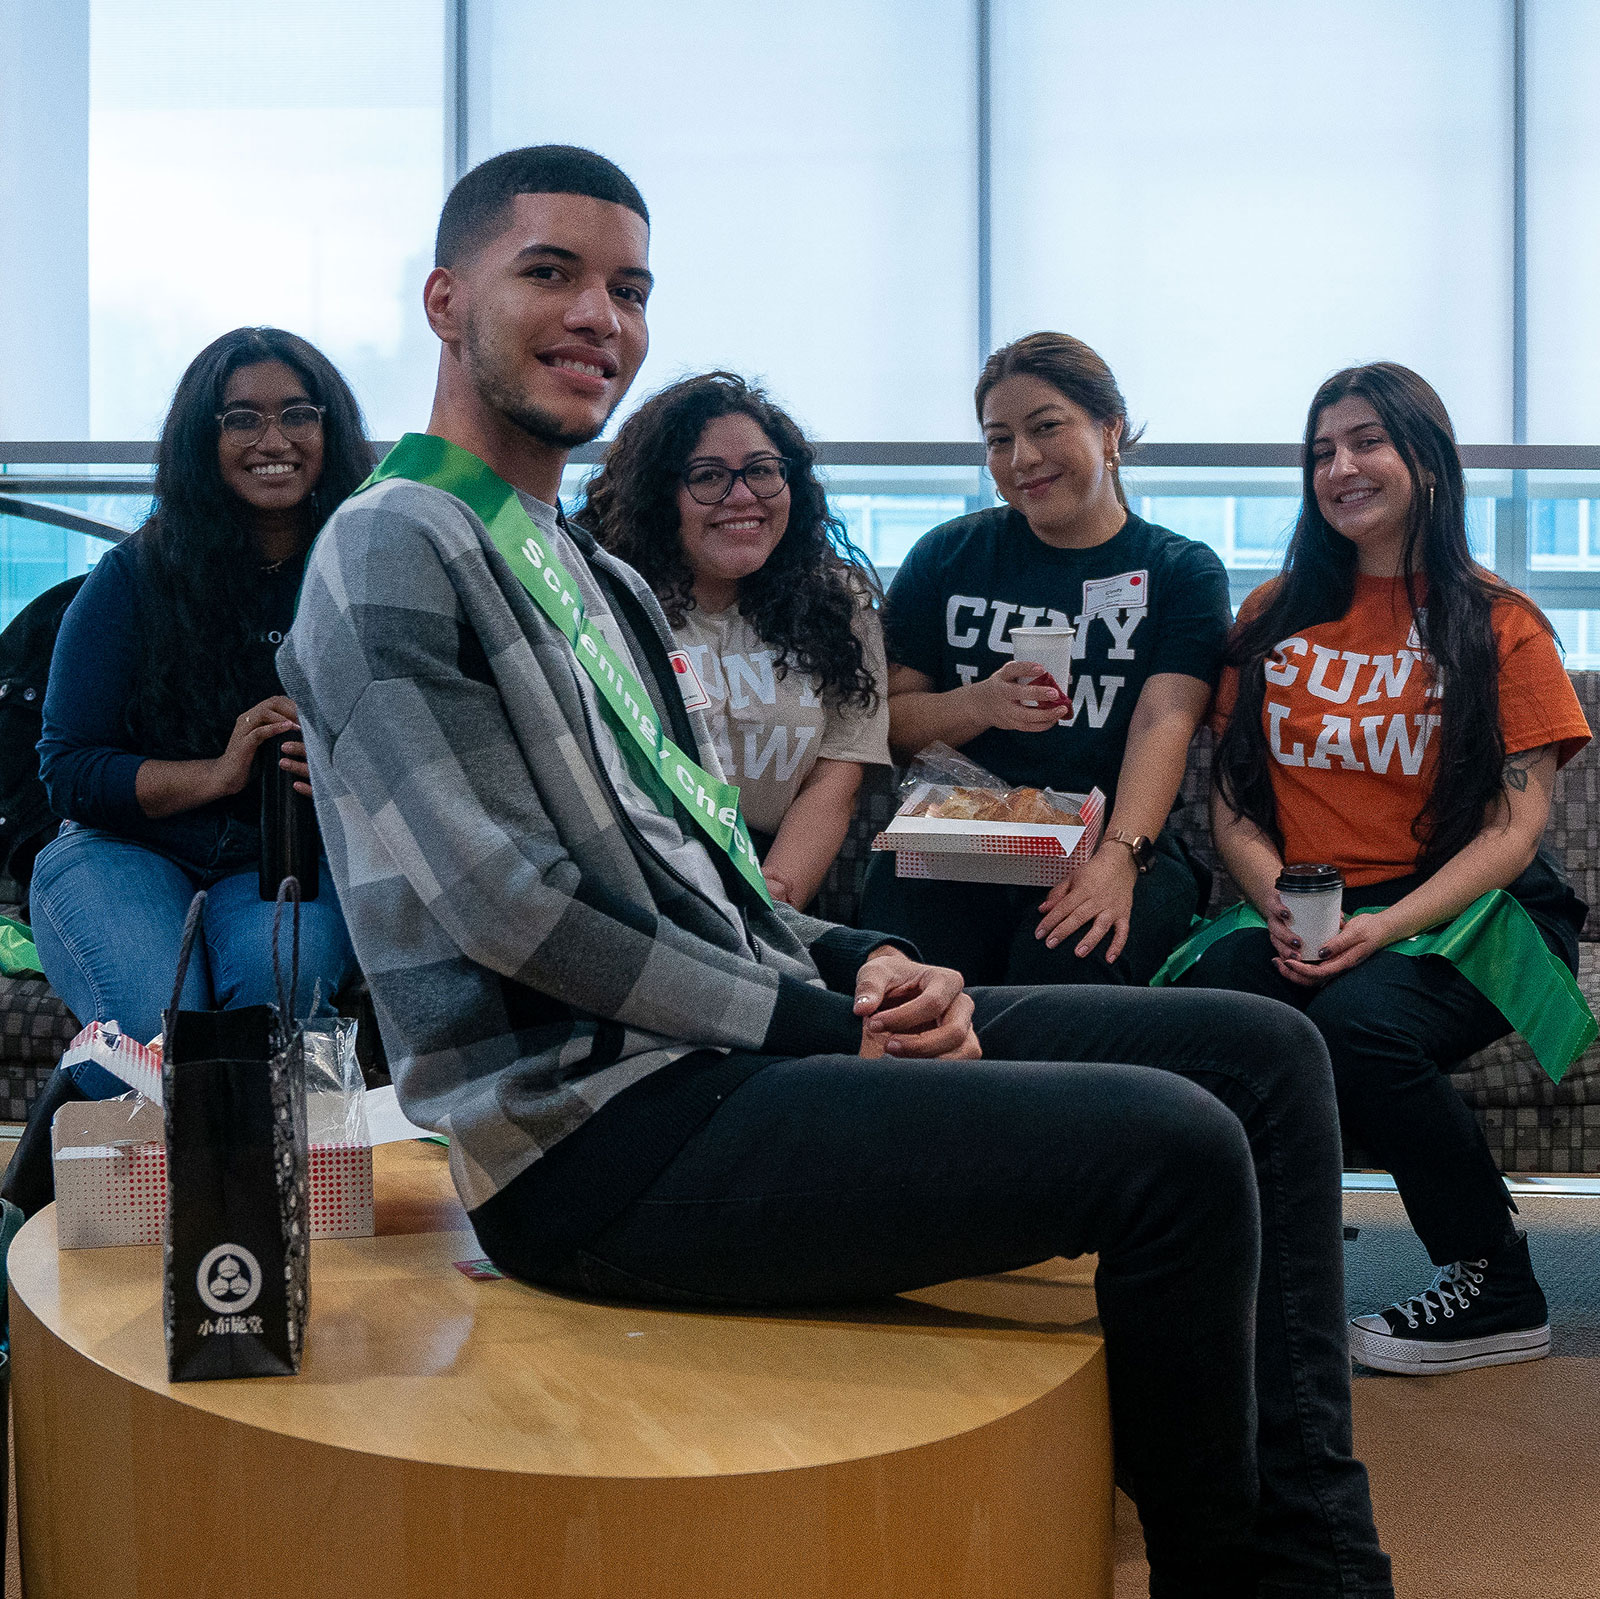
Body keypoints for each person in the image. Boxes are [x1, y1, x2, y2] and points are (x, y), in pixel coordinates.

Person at [279, 144, 1392, 1596]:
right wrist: (825, 1017)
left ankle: (1314, 1564)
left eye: (627, 287)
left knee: (1260, 1052)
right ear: (446, 298)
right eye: (548, 272)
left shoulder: (596, 574)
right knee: (1171, 1146)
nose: (596, 316)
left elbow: (706, 870)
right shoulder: (389, 548)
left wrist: (854, 959)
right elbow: (514, 905)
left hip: (725, 1056)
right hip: (590, 1137)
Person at [1180, 362, 1590, 1376]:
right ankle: (1248, 1264)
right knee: (1207, 1006)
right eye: (1322, 450)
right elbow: (1231, 799)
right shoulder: (1273, 614)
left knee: (1361, 1027)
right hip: (1310, 896)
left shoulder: (1500, 623)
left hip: (1474, 907)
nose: (1340, 467)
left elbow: (1512, 830)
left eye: (1366, 441)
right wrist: (1268, 889)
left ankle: (1495, 1283)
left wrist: (1389, 925)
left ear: (1425, 460)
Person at [29, 326, 367, 1089]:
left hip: (280, 859)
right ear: (200, 440)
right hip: (122, 849)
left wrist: (344, 764)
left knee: (276, 1005)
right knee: (152, 1026)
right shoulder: (135, 575)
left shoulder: (366, 567)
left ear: (329, 428)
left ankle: (262, 1208)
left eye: (298, 414)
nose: (271, 438)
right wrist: (218, 772)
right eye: (240, 418)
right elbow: (68, 768)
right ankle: (76, 1175)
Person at [858, 333, 1231, 987]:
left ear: (1109, 430)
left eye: (1046, 427)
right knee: (905, 973)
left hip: (1116, 837)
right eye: (999, 439)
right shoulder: (945, 557)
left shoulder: (1180, 570)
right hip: (964, 835)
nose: (1022, 458)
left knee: (1064, 967)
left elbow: (1163, 721)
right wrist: (979, 702)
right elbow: (893, 726)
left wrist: (1120, 857)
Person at [578, 371, 889, 909]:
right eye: (707, 476)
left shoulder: (838, 602)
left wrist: (774, 901)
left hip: (780, 876)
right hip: (642, 875)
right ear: (659, 494)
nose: (742, 496)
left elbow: (836, 778)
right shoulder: (602, 600)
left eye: (763, 471)